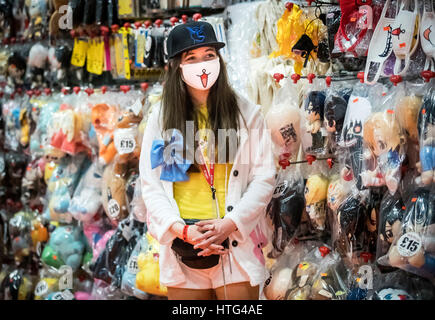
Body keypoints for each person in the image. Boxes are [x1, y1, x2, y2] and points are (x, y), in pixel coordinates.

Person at [139, 21, 276, 300]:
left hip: (234, 243)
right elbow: (151, 185)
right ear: (177, 65)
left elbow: (264, 177)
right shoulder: (161, 117)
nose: (202, 64)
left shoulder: (246, 113)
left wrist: (229, 223)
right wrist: (183, 230)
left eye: (209, 55)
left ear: (219, 59)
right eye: (191, 58)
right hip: (183, 247)